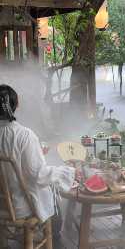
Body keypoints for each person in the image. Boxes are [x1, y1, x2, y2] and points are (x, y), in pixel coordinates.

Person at [0, 84, 75, 248]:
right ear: (16, 104)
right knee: (53, 191)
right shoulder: (24, 135)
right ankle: (55, 238)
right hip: (18, 207)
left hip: (2, 203)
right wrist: (67, 171)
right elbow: (38, 174)